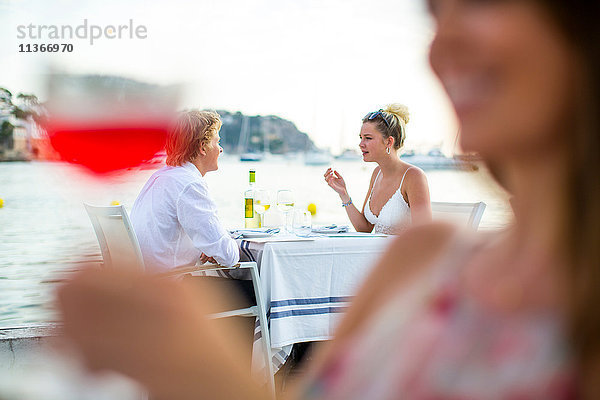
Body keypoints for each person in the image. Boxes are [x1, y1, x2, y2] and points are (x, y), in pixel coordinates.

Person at [58, 0, 600, 399]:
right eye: (435, 12)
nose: (440, 45)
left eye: (481, 4)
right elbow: (364, 231)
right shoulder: (421, 257)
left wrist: (203, 369)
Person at [130, 109, 239, 270]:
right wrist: (221, 246)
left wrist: (207, 247)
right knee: (252, 282)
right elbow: (229, 257)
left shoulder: (160, 177)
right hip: (168, 284)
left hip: (145, 280)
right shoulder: (189, 184)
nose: (220, 149)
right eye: (217, 142)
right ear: (203, 147)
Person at [324, 104, 431, 234]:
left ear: (389, 142)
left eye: (368, 138)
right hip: (374, 253)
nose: (361, 144)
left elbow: (425, 235)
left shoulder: (413, 176)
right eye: (361, 138)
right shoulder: (377, 174)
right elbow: (364, 228)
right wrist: (344, 194)